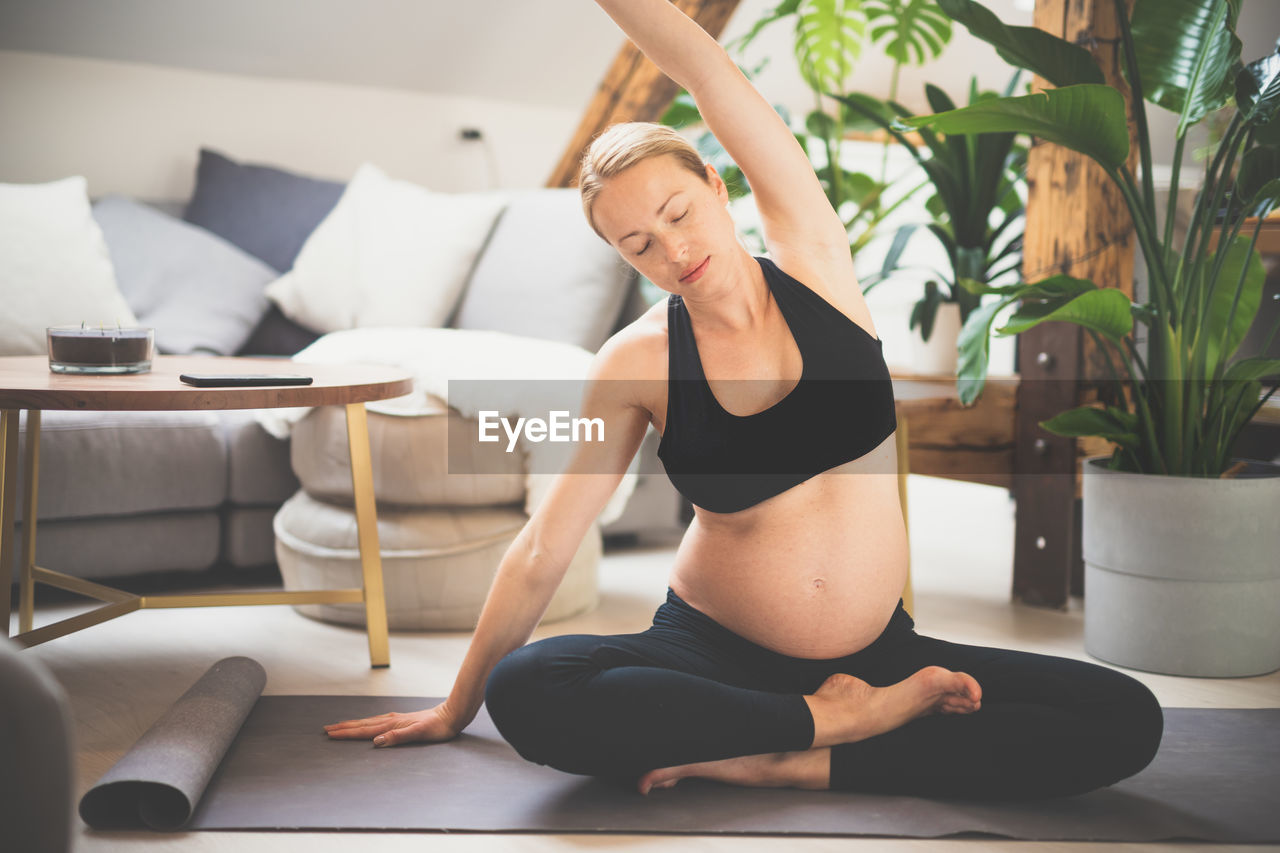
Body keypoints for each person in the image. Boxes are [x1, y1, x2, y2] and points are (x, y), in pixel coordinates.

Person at [324, 0, 1163, 798]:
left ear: (721, 190)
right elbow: (545, 547)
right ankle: (820, 725)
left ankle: (788, 757)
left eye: (679, 212)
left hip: (880, 655)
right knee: (531, 686)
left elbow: (706, 67)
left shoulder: (816, 264)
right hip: (707, 656)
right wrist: (455, 706)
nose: (674, 248)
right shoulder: (636, 362)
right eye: (639, 244)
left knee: (1126, 718)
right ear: (625, 258)